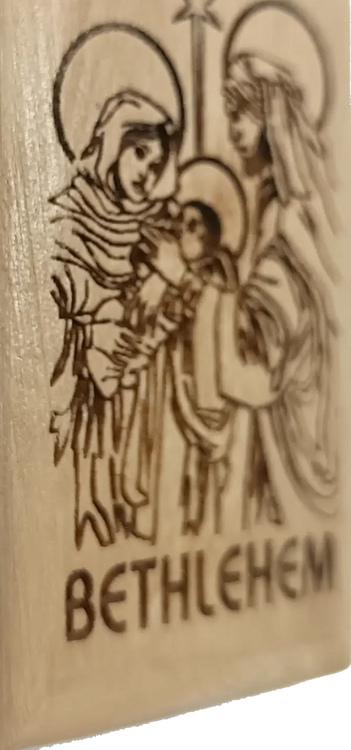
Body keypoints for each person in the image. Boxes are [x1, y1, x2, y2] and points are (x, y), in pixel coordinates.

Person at [49, 89, 180, 548]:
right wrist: (99, 314)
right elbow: (60, 278)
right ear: (111, 145)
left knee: (124, 440)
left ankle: (116, 510)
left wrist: (162, 278)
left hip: (132, 369)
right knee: (92, 437)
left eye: (156, 164)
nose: (147, 172)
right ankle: (87, 506)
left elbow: (181, 279)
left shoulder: (154, 224)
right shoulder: (72, 212)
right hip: (87, 364)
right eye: (139, 154)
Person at [215, 52, 339, 528]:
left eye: (242, 115)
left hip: (291, 404)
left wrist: (226, 295)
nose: (233, 130)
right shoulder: (270, 201)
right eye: (230, 115)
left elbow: (288, 313)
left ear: (272, 120)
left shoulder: (287, 216)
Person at [127, 197, 238, 536]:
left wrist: (177, 276)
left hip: (199, 402)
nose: (181, 232)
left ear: (211, 238)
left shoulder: (219, 278)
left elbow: (212, 314)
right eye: (180, 224)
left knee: (197, 490)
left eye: (192, 226)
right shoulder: (171, 278)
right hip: (167, 397)